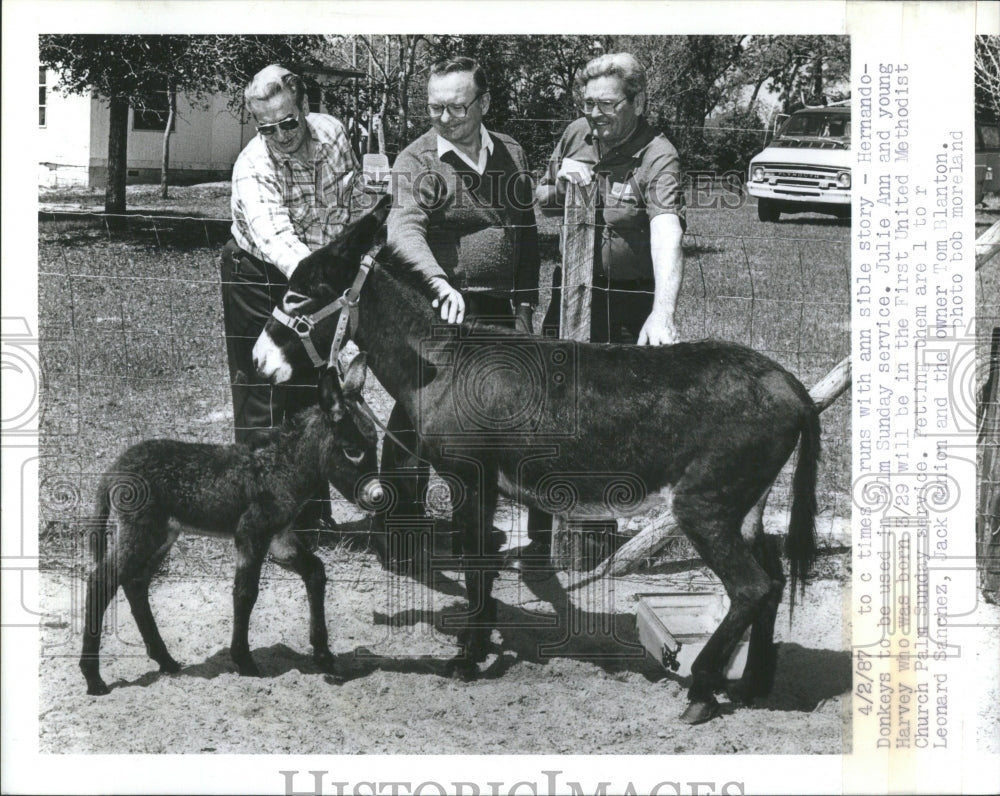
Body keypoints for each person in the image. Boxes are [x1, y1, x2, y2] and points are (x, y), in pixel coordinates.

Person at [385, 56, 550, 572]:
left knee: (504, 419)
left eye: (457, 106)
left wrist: (525, 304)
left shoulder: (512, 153)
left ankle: (493, 531)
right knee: (418, 416)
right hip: (439, 306)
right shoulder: (416, 161)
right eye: (435, 107)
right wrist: (435, 280)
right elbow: (403, 229)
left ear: (484, 104)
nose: (445, 117)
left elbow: (523, 233)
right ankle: (400, 531)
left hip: (499, 308)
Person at [220, 64, 359, 531]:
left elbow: (352, 203)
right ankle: (263, 519)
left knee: (313, 389)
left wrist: (353, 264)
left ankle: (312, 517)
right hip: (259, 276)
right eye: (266, 127)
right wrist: (331, 288)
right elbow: (280, 243)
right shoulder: (252, 167)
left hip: (317, 273)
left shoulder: (335, 135)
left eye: (288, 121)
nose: (279, 135)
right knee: (264, 391)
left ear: (304, 106)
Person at [536, 52, 686, 346]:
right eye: (588, 103)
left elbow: (667, 232)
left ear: (638, 102)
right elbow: (543, 201)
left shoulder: (659, 155)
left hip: (628, 302)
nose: (594, 113)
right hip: (569, 288)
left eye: (607, 103)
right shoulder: (576, 133)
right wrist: (563, 190)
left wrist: (662, 313)